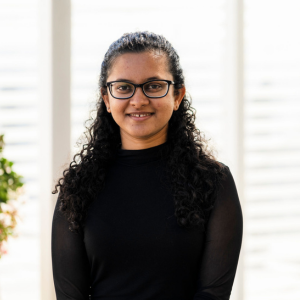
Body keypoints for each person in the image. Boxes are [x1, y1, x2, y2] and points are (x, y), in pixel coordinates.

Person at [51, 31, 243, 300]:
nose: (138, 100)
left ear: (177, 96)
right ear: (106, 99)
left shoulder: (214, 181)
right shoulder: (78, 186)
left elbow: (213, 293)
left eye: (153, 85)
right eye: (123, 87)